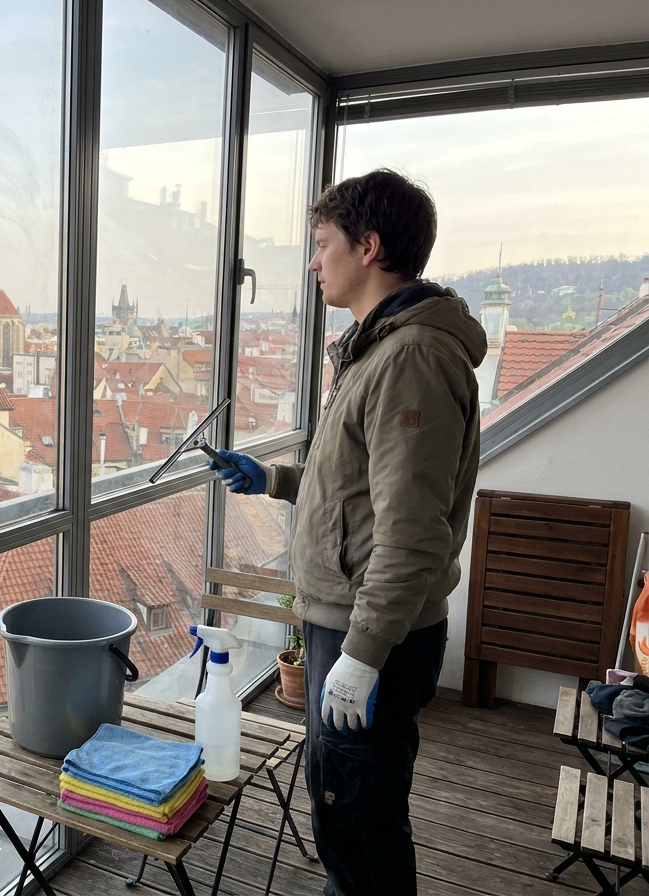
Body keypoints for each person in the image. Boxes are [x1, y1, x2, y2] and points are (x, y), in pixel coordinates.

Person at [212, 169, 486, 896]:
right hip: (354, 623)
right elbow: (358, 490)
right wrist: (271, 479)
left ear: (367, 247)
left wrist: (363, 654)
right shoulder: (381, 347)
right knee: (345, 807)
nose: (311, 261)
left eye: (320, 243)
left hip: (374, 634)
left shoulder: (412, 358)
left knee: (359, 818)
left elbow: (412, 531)